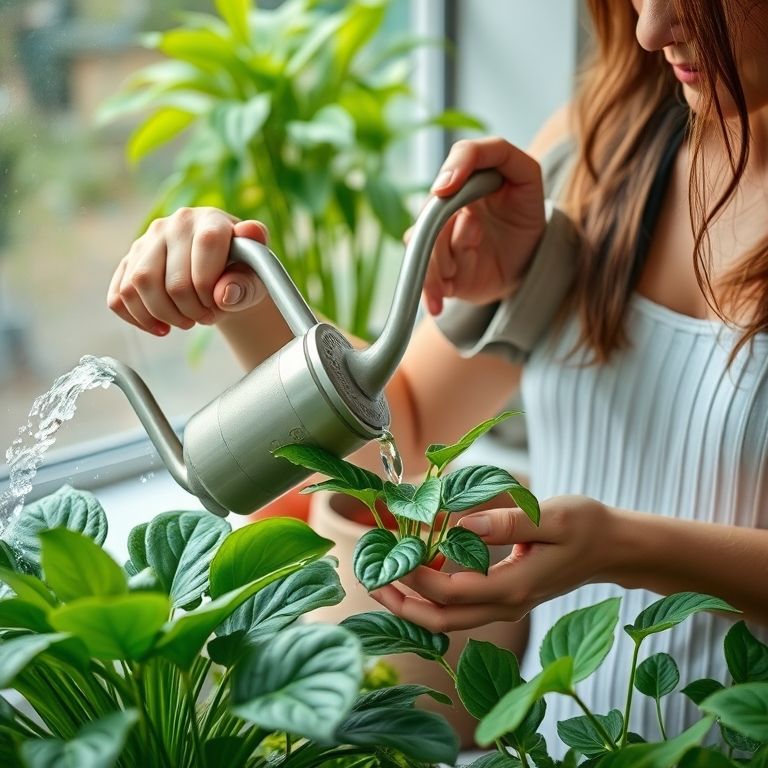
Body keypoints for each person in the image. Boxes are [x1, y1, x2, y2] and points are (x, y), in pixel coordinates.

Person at [108, 0, 768, 745]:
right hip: (556, 744)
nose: (650, 31)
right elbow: (403, 429)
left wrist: (625, 548)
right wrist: (240, 293)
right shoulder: (605, 141)